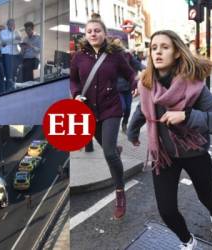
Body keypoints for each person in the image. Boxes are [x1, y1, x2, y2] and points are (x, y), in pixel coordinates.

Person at [127, 30, 212, 249]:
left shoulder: (194, 85)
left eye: (164, 47)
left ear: (177, 52)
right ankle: (188, 241)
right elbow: (142, 110)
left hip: (194, 152)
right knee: (166, 210)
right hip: (164, 155)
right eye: (154, 48)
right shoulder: (147, 85)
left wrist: (187, 116)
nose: (157, 52)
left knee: (206, 195)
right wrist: (132, 132)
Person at [70, 19, 137, 220]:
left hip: (111, 108)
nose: (93, 34)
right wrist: (75, 95)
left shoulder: (115, 56)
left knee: (108, 153)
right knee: (108, 148)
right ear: (85, 34)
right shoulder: (78, 57)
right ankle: (114, 149)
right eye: (89, 31)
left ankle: (120, 193)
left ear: (104, 33)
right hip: (89, 111)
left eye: (97, 30)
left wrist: (135, 84)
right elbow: (73, 79)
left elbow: (130, 73)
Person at [113, 38, 145, 133]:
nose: (119, 45)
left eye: (119, 43)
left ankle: (124, 123)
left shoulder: (127, 55)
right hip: (117, 88)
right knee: (122, 107)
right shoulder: (111, 57)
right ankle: (114, 124)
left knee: (128, 109)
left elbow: (137, 64)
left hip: (128, 86)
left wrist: (147, 69)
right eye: (116, 44)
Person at [0, 18, 22, 91]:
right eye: (11, 24)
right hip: (7, 54)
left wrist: (9, 41)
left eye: (13, 24)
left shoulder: (17, 32)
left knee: (16, 73)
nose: (12, 26)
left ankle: (15, 88)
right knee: (9, 73)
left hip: (16, 54)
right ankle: (9, 89)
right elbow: (3, 41)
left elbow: (19, 40)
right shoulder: (3, 32)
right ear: (7, 25)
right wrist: (13, 39)